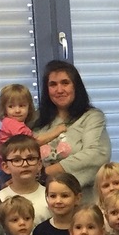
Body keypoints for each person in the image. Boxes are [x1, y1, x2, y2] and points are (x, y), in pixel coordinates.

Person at [34, 60, 112, 191]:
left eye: (65, 83)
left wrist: (46, 172)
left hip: (82, 196)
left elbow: (96, 155)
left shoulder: (92, 117)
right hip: (42, 195)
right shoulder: (35, 119)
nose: (59, 90)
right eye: (53, 84)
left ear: (76, 86)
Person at [0, 134, 51, 225]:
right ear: (6, 167)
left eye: (31, 158)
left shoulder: (51, 198)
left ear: (39, 164)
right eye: (17, 160)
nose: (25, 164)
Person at [0, 83, 38, 179]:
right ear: (4, 109)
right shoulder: (11, 123)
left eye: (22, 105)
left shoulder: (20, 124)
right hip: (10, 167)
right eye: (11, 106)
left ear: (29, 107)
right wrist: (56, 132)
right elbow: (34, 142)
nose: (17, 110)